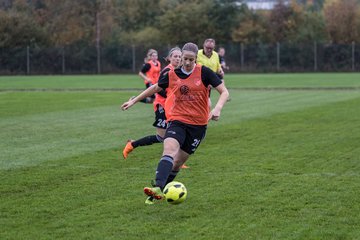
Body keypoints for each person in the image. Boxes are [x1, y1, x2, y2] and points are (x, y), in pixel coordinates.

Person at [121, 42, 229, 204]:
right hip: (177, 120)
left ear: (195, 59)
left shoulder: (204, 73)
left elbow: (224, 91)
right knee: (169, 150)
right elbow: (155, 88)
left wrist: (218, 109)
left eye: (191, 60)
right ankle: (157, 187)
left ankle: (161, 189)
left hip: (198, 125)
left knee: (178, 162)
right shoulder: (172, 74)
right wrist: (134, 101)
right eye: (184, 58)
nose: (186, 62)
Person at [122, 47, 189, 168]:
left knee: (178, 131)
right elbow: (160, 91)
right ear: (169, 58)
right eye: (175, 56)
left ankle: (177, 159)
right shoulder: (167, 71)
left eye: (180, 57)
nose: (178, 59)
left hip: (173, 107)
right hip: (162, 105)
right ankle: (132, 144)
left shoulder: (180, 71)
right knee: (161, 137)